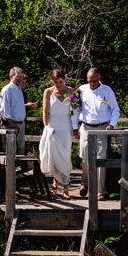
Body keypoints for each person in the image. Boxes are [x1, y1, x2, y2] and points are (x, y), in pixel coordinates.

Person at [77, 67, 120, 198]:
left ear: (99, 79)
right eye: (89, 81)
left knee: (101, 159)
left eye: (94, 81)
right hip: (85, 127)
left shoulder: (107, 90)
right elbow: (75, 110)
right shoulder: (81, 90)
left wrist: (112, 124)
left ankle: (100, 191)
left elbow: (115, 109)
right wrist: (74, 127)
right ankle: (84, 183)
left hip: (102, 128)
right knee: (84, 157)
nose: (92, 84)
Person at [38, 69, 80, 199]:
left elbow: (75, 109)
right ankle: (55, 187)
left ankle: (66, 189)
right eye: (56, 82)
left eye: (60, 82)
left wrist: (75, 127)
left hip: (66, 126)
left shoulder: (70, 91)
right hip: (53, 126)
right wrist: (47, 127)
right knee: (55, 157)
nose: (58, 85)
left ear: (64, 80)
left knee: (65, 156)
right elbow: (45, 112)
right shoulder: (48, 92)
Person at [0, 67, 39, 155]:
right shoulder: (7, 90)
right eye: (18, 76)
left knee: (20, 150)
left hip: (21, 123)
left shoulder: (19, 89)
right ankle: (9, 169)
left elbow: (17, 106)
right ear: (11, 76)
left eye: (21, 76)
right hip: (10, 124)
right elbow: (5, 109)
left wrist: (28, 106)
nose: (20, 78)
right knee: (10, 150)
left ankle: (19, 168)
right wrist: (11, 123)